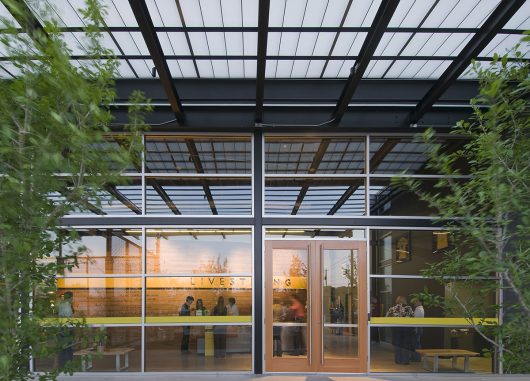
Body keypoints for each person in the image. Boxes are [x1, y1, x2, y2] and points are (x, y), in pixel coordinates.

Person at [386, 295, 414, 365]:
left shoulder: (392, 308)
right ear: (404, 300)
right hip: (406, 329)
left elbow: (387, 317)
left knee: (397, 345)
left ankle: (398, 360)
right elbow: (413, 317)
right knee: (406, 344)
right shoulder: (408, 308)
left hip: (396, 329)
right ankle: (405, 360)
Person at [57, 292, 74, 367]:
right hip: (66, 329)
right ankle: (67, 364)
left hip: (62, 328)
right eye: (72, 297)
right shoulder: (67, 305)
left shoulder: (61, 304)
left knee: (64, 347)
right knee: (67, 347)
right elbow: (68, 317)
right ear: (70, 297)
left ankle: (63, 364)